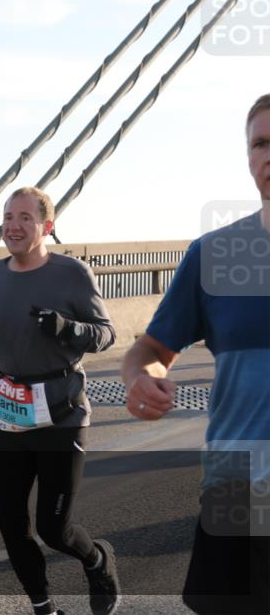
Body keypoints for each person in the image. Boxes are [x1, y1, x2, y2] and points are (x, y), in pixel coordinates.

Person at [121, 94, 270, 615]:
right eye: (260, 143)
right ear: (248, 157)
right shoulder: (213, 255)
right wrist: (141, 378)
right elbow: (150, 349)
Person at [0, 187, 120, 615]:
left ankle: (96, 560)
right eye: (8, 217)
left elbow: (106, 334)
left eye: (25, 218)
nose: (13, 226)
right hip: (10, 412)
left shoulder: (72, 274)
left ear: (46, 226)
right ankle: (44, 608)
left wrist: (68, 329)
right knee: (11, 522)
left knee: (53, 528)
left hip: (62, 414)